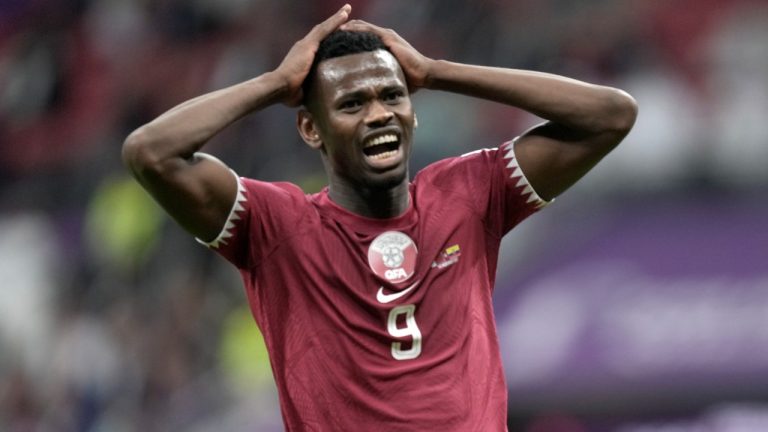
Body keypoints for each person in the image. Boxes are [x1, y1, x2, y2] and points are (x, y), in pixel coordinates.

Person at [122, 4, 637, 431]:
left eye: (393, 95)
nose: (378, 114)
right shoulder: (276, 226)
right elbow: (152, 153)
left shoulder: (468, 195)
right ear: (310, 129)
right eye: (351, 103)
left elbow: (610, 116)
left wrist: (436, 71)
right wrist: (277, 83)